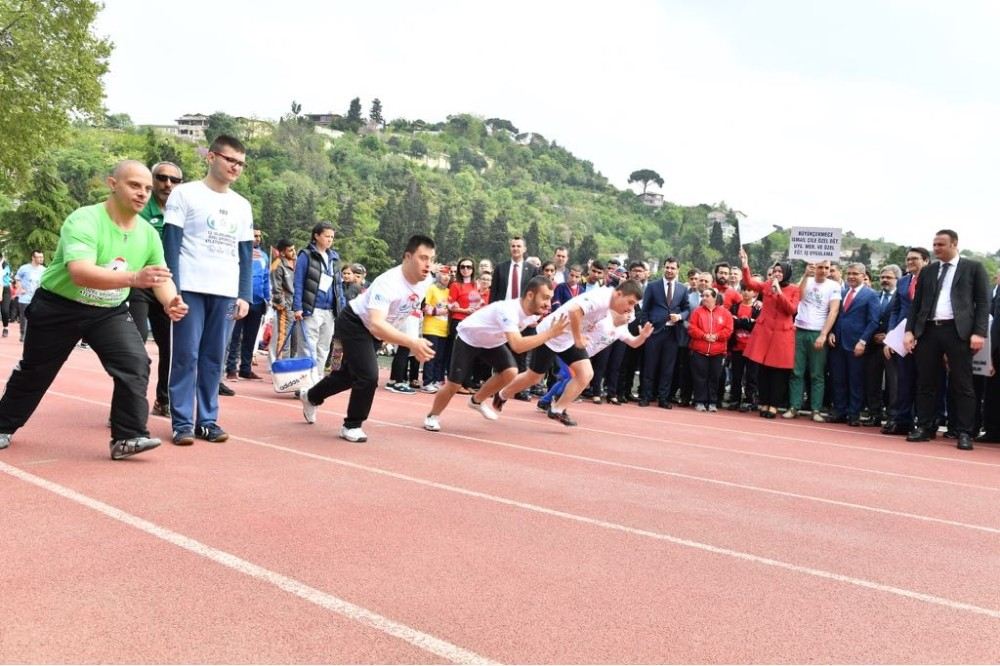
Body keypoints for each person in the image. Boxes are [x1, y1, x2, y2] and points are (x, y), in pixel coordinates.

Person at [0, 161, 188, 458]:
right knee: (35, 372)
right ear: (113, 184)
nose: (143, 194)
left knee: (135, 363)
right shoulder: (84, 220)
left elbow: (160, 277)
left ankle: (128, 437)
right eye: (135, 185)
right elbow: (80, 272)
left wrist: (170, 301)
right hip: (59, 307)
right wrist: (133, 279)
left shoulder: (149, 234)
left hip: (108, 310)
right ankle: (2, 425)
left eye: (147, 189)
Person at [299, 235, 437, 443]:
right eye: (423, 258)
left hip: (375, 331)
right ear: (407, 257)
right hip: (355, 323)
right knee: (368, 376)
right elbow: (376, 323)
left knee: (348, 375)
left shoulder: (426, 281)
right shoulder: (388, 282)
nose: (428, 265)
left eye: (432, 259)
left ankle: (310, 396)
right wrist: (412, 342)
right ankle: (352, 425)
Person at [163, 134, 254, 446]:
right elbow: (171, 243)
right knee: (186, 354)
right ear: (211, 157)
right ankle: (182, 422)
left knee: (215, 357)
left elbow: (245, 254)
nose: (235, 167)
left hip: (226, 291)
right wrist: (171, 288)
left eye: (240, 163)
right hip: (189, 287)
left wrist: (245, 295)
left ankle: (208, 420)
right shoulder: (185, 195)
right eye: (230, 160)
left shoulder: (242, 205)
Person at [423, 276, 567, 432]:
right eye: (545, 298)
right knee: (454, 384)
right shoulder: (508, 310)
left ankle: (476, 401)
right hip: (468, 338)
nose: (548, 303)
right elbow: (518, 345)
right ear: (530, 295)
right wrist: (551, 334)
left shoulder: (535, 314)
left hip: (492, 342)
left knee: (510, 372)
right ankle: (432, 416)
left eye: (550, 299)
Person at [495, 280, 644, 426]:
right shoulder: (602, 297)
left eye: (635, 305)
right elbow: (574, 310)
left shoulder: (610, 306)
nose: (631, 309)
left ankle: (557, 409)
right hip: (551, 333)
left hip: (568, 339)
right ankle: (502, 394)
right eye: (630, 303)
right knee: (534, 377)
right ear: (618, 294)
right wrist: (579, 337)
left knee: (586, 373)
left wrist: (642, 336)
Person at [904, 229, 990, 450]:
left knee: (962, 384)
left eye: (941, 244)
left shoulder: (974, 268)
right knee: (926, 382)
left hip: (958, 331)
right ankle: (925, 426)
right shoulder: (929, 271)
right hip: (929, 331)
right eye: (934, 244)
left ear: (954, 244)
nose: (936, 248)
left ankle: (964, 432)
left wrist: (979, 332)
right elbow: (917, 304)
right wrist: (909, 331)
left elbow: (983, 302)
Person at [127, 161, 183, 416]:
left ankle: (164, 400)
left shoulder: (182, 212)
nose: (168, 184)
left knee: (171, 348)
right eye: (162, 177)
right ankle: (127, 405)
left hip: (167, 287)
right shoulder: (139, 209)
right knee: (135, 347)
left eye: (174, 180)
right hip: (137, 284)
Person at [539, 310, 652, 411]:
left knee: (569, 378)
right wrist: (581, 334)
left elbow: (634, 343)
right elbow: (579, 319)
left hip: (582, 357)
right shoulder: (603, 319)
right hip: (568, 349)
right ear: (618, 312)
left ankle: (546, 401)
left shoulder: (622, 329)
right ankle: (555, 401)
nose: (629, 316)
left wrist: (643, 337)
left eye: (631, 314)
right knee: (570, 377)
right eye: (627, 313)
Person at [738, 247, 800, 418]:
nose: (777, 273)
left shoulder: (794, 289)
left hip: (782, 336)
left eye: (780, 271)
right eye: (775, 271)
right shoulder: (766, 285)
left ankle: (774, 405)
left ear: (786, 273)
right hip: (764, 333)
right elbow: (750, 283)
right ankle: (763, 402)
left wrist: (779, 292)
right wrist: (745, 265)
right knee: (763, 370)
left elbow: (791, 309)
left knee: (778, 373)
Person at [784, 260, 841, 421]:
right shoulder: (806, 280)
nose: (823, 271)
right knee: (796, 372)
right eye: (820, 267)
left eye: (826, 268)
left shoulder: (834, 286)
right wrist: (804, 275)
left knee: (817, 374)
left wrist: (823, 334)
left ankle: (816, 409)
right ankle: (794, 406)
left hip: (817, 332)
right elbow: (797, 297)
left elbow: (834, 310)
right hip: (799, 330)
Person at [881, 247, 930, 435]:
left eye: (915, 259)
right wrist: (891, 336)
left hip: (925, 337)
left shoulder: (932, 281)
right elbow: (896, 310)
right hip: (902, 337)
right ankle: (902, 420)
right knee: (903, 380)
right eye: (908, 259)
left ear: (925, 261)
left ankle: (925, 422)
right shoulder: (902, 282)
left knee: (924, 381)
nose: (910, 262)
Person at [827, 263, 880, 426]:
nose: (851, 276)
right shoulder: (841, 293)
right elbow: (836, 316)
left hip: (857, 344)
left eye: (855, 274)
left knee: (855, 380)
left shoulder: (871, 295)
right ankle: (840, 411)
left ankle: (854, 413)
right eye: (849, 273)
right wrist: (832, 332)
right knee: (838, 379)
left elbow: (873, 321)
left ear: (863, 276)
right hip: (838, 343)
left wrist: (863, 341)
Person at [293, 221, 345, 377]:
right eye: (327, 236)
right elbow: (299, 282)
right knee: (307, 348)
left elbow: (338, 287)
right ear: (316, 236)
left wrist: (341, 310)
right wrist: (297, 307)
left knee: (323, 348)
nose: (330, 240)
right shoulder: (306, 255)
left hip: (329, 311)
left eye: (332, 237)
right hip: (311, 308)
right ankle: (304, 382)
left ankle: (316, 381)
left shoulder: (334, 258)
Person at [639, 257, 689, 408]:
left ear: (677, 270)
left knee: (668, 368)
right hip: (654, 332)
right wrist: (646, 327)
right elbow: (645, 310)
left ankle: (663, 398)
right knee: (649, 366)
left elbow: (687, 309)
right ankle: (646, 396)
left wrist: (680, 317)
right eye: (667, 267)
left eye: (673, 268)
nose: (669, 270)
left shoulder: (682, 288)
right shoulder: (653, 286)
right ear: (663, 268)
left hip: (673, 333)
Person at [226, 228, 270, 381]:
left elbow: (266, 278)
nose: (257, 239)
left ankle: (246, 368)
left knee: (250, 337)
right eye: (254, 236)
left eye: (259, 236)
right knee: (233, 335)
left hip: (257, 302)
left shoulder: (264, 256)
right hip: (238, 299)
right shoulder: (238, 252)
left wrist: (267, 297)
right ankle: (230, 368)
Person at [862, 264, 900, 426]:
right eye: (882, 277)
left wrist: (889, 336)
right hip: (873, 345)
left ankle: (893, 416)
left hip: (892, 346)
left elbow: (902, 319)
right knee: (872, 381)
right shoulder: (874, 296)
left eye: (889, 277)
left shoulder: (901, 298)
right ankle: (874, 414)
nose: (884, 280)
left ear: (897, 279)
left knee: (893, 383)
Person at [688, 287, 734, 411]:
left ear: (714, 297)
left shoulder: (725, 313)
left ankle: (712, 401)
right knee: (699, 377)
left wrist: (717, 336)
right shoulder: (697, 312)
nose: (704, 298)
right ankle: (699, 401)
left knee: (715, 377)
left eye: (707, 296)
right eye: (703, 295)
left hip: (718, 352)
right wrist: (704, 336)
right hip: (699, 350)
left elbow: (729, 330)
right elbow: (692, 328)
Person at [447, 257, 479, 392]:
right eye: (463, 267)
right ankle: (456, 383)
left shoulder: (476, 285)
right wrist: (464, 310)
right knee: (458, 353)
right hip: (459, 321)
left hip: (473, 323)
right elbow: (449, 305)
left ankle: (467, 382)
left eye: (469, 267)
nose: (466, 270)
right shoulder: (455, 285)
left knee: (470, 353)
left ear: (473, 269)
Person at [729, 284, 762, 411]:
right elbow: (732, 323)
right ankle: (735, 399)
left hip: (753, 349)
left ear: (755, 293)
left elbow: (756, 327)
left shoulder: (758, 309)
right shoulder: (735, 307)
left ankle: (750, 400)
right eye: (744, 290)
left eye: (750, 290)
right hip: (737, 347)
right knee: (736, 375)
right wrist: (748, 322)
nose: (747, 292)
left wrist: (742, 322)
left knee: (751, 376)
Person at [420, 266, 452, 392]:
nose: (446, 277)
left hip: (444, 329)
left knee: (440, 357)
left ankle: (436, 380)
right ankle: (427, 382)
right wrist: (441, 311)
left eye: (448, 275)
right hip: (431, 328)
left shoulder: (449, 291)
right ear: (438, 276)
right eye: (443, 274)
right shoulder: (431, 289)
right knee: (430, 356)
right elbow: (425, 307)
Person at [270, 239, 297, 358]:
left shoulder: (296, 263)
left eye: (294, 249)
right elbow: (276, 288)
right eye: (290, 250)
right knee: (284, 339)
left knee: (294, 341)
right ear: (281, 252)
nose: (294, 252)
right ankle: (281, 368)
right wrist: (282, 305)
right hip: (285, 306)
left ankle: (290, 367)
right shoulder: (277, 265)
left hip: (296, 306)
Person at [14, 250, 45, 343]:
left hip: (38, 298)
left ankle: (33, 336)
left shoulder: (44, 270)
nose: (41, 259)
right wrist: (20, 288)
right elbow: (17, 278)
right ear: (33, 258)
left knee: (36, 317)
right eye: (39, 257)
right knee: (24, 317)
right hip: (25, 297)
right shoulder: (24, 268)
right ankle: (23, 333)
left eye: (42, 257)